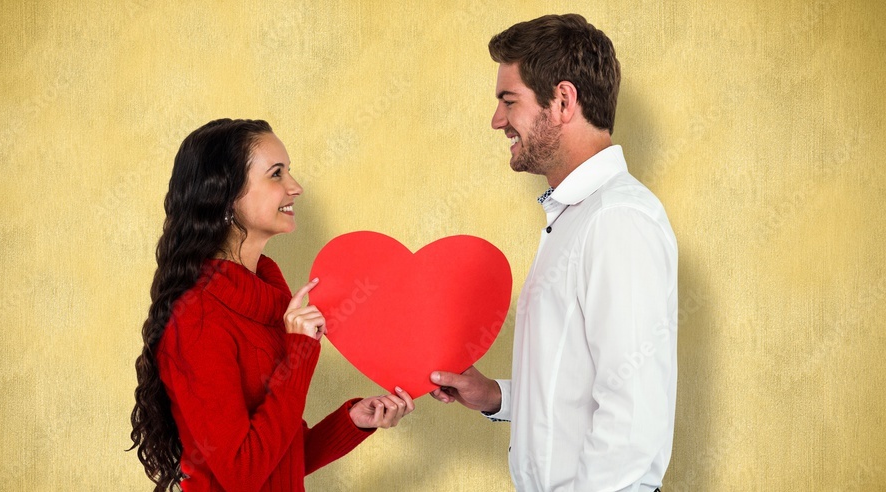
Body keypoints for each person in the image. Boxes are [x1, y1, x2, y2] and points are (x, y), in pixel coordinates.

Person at [430, 14, 678, 492]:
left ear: (562, 101)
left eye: (508, 101)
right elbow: (576, 388)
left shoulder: (616, 220)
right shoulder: (575, 217)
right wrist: (494, 396)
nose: (497, 120)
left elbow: (632, 422)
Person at [130, 118, 414, 492]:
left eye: (289, 172)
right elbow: (243, 474)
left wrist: (354, 421)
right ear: (226, 195)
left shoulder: (269, 300)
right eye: (276, 174)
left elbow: (279, 460)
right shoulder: (198, 319)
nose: (295, 187)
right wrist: (299, 354)